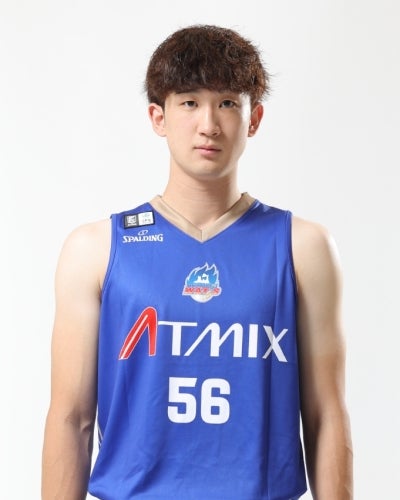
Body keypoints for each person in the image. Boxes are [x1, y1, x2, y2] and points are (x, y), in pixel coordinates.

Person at [41, 24, 353, 499]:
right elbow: (71, 418)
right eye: (189, 102)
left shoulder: (302, 246)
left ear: (254, 118)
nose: (209, 124)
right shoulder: (95, 249)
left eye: (227, 103)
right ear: (158, 116)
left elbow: (326, 414)